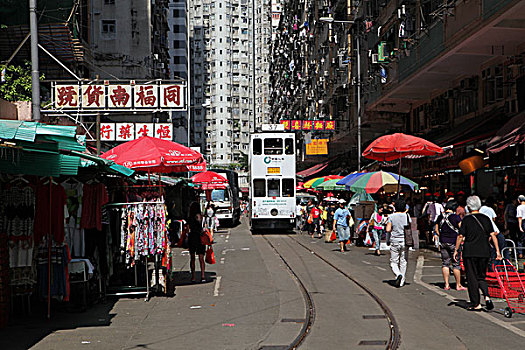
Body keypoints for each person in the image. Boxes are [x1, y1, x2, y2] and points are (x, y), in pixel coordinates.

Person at [453, 196, 502, 311]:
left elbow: (460, 236)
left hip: (470, 252)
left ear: (468, 207)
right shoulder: (486, 218)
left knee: (472, 277)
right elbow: (493, 235)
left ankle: (476, 303)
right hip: (484, 251)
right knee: (482, 276)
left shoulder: (467, 219)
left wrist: (456, 249)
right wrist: (498, 251)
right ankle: (487, 296)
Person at [434, 200, 466, 291]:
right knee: (456, 264)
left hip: (443, 242)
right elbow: (462, 229)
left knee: (445, 263)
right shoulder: (456, 217)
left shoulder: (440, 217)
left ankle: (447, 284)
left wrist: (443, 235)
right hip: (454, 242)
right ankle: (458, 285)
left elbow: (436, 230)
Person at [385, 199, 411, 287]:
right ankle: (402, 280)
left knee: (393, 261)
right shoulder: (407, 216)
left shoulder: (392, 216)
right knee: (404, 261)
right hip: (405, 241)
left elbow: (388, 229)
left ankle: (398, 274)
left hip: (394, 240)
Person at [188, 202, 207, 283]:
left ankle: (193, 276)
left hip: (192, 237)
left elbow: (188, 228)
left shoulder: (189, 218)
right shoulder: (201, 217)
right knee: (201, 258)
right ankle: (202, 275)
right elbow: (204, 227)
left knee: (192, 258)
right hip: (200, 237)